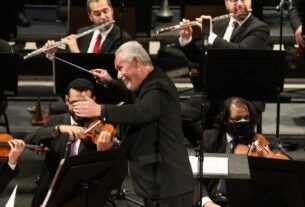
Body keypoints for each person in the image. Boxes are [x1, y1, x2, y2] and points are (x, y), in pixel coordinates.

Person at [71, 41, 194, 207]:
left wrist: (101, 110)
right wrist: (110, 83)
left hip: (168, 184)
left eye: (120, 68)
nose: (119, 75)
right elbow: (135, 99)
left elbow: (142, 111)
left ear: (136, 62)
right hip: (159, 184)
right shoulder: (150, 83)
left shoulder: (159, 86)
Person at [178, 0, 270, 147]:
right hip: (215, 93)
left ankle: (220, 148)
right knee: (179, 114)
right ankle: (206, 146)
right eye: (234, 0)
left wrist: (212, 36)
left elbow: (240, 54)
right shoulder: (220, 25)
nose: (240, 4)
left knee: (227, 114)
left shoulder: (260, 29)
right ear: (226, 3)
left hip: (245, 95)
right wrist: (186, 39)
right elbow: (199, 57)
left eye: (244, 0)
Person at [24, 78, 120, 207]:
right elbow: (29, 140)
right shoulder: (56, 121)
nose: (79, 108)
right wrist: (59, 129)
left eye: (84, 103)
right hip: (52, 189)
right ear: (67, 100)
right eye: (74, 103)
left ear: (94, 101)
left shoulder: (104, 126)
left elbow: (109, 170)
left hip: (85, 193)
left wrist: (102, 151)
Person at [201, 96, 289, 207]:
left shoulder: (257, 140)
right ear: (225, 120)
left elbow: (286, 166)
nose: (243, 122)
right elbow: (195, 177)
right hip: (216, 199)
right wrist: (207, 202)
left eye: (246, 118)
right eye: (237, 119)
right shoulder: (211, 137)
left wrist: (266, 156)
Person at [45, 0, 132, 54]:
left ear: (112, 10)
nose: (103, 17)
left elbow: (104, 70)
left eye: (105, 11)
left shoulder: (122, 38)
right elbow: (69, 62)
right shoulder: (82, 33)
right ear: (90, 16)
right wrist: (54, 53)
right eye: (97, 14)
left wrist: (76, 53)